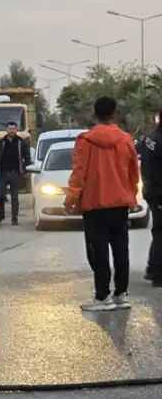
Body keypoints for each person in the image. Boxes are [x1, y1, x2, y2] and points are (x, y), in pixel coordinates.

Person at [64, 97, 139, 311]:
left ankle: (102, 296)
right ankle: (121, 294)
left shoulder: (85, 140)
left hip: (94, 204)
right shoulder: (125, 139)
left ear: (94, 114)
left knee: (98, 251)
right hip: (120, 204)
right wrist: (131, 196)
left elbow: (79, 173)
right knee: (121, 248)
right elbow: (134, 173)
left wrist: (71, 199)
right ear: (114, 114)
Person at [0, 122, 31, 225]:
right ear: (6, 129)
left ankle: (14, 218)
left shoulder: (21, 142)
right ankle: (1, 215)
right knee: (0, 195)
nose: (11, 131)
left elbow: (27, 158)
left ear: (16, 129)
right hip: (2, 173)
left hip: (16, 173)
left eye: (13, 129)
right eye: (10, 129)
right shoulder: (1, 142)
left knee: (14, 197)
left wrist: (26, 171)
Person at [141, 109, 162, 287]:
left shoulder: (150, 137)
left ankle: (152, 269)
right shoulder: (159, 140)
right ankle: (157, 273)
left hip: (151, 190)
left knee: (159, 231)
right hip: (159, 192)